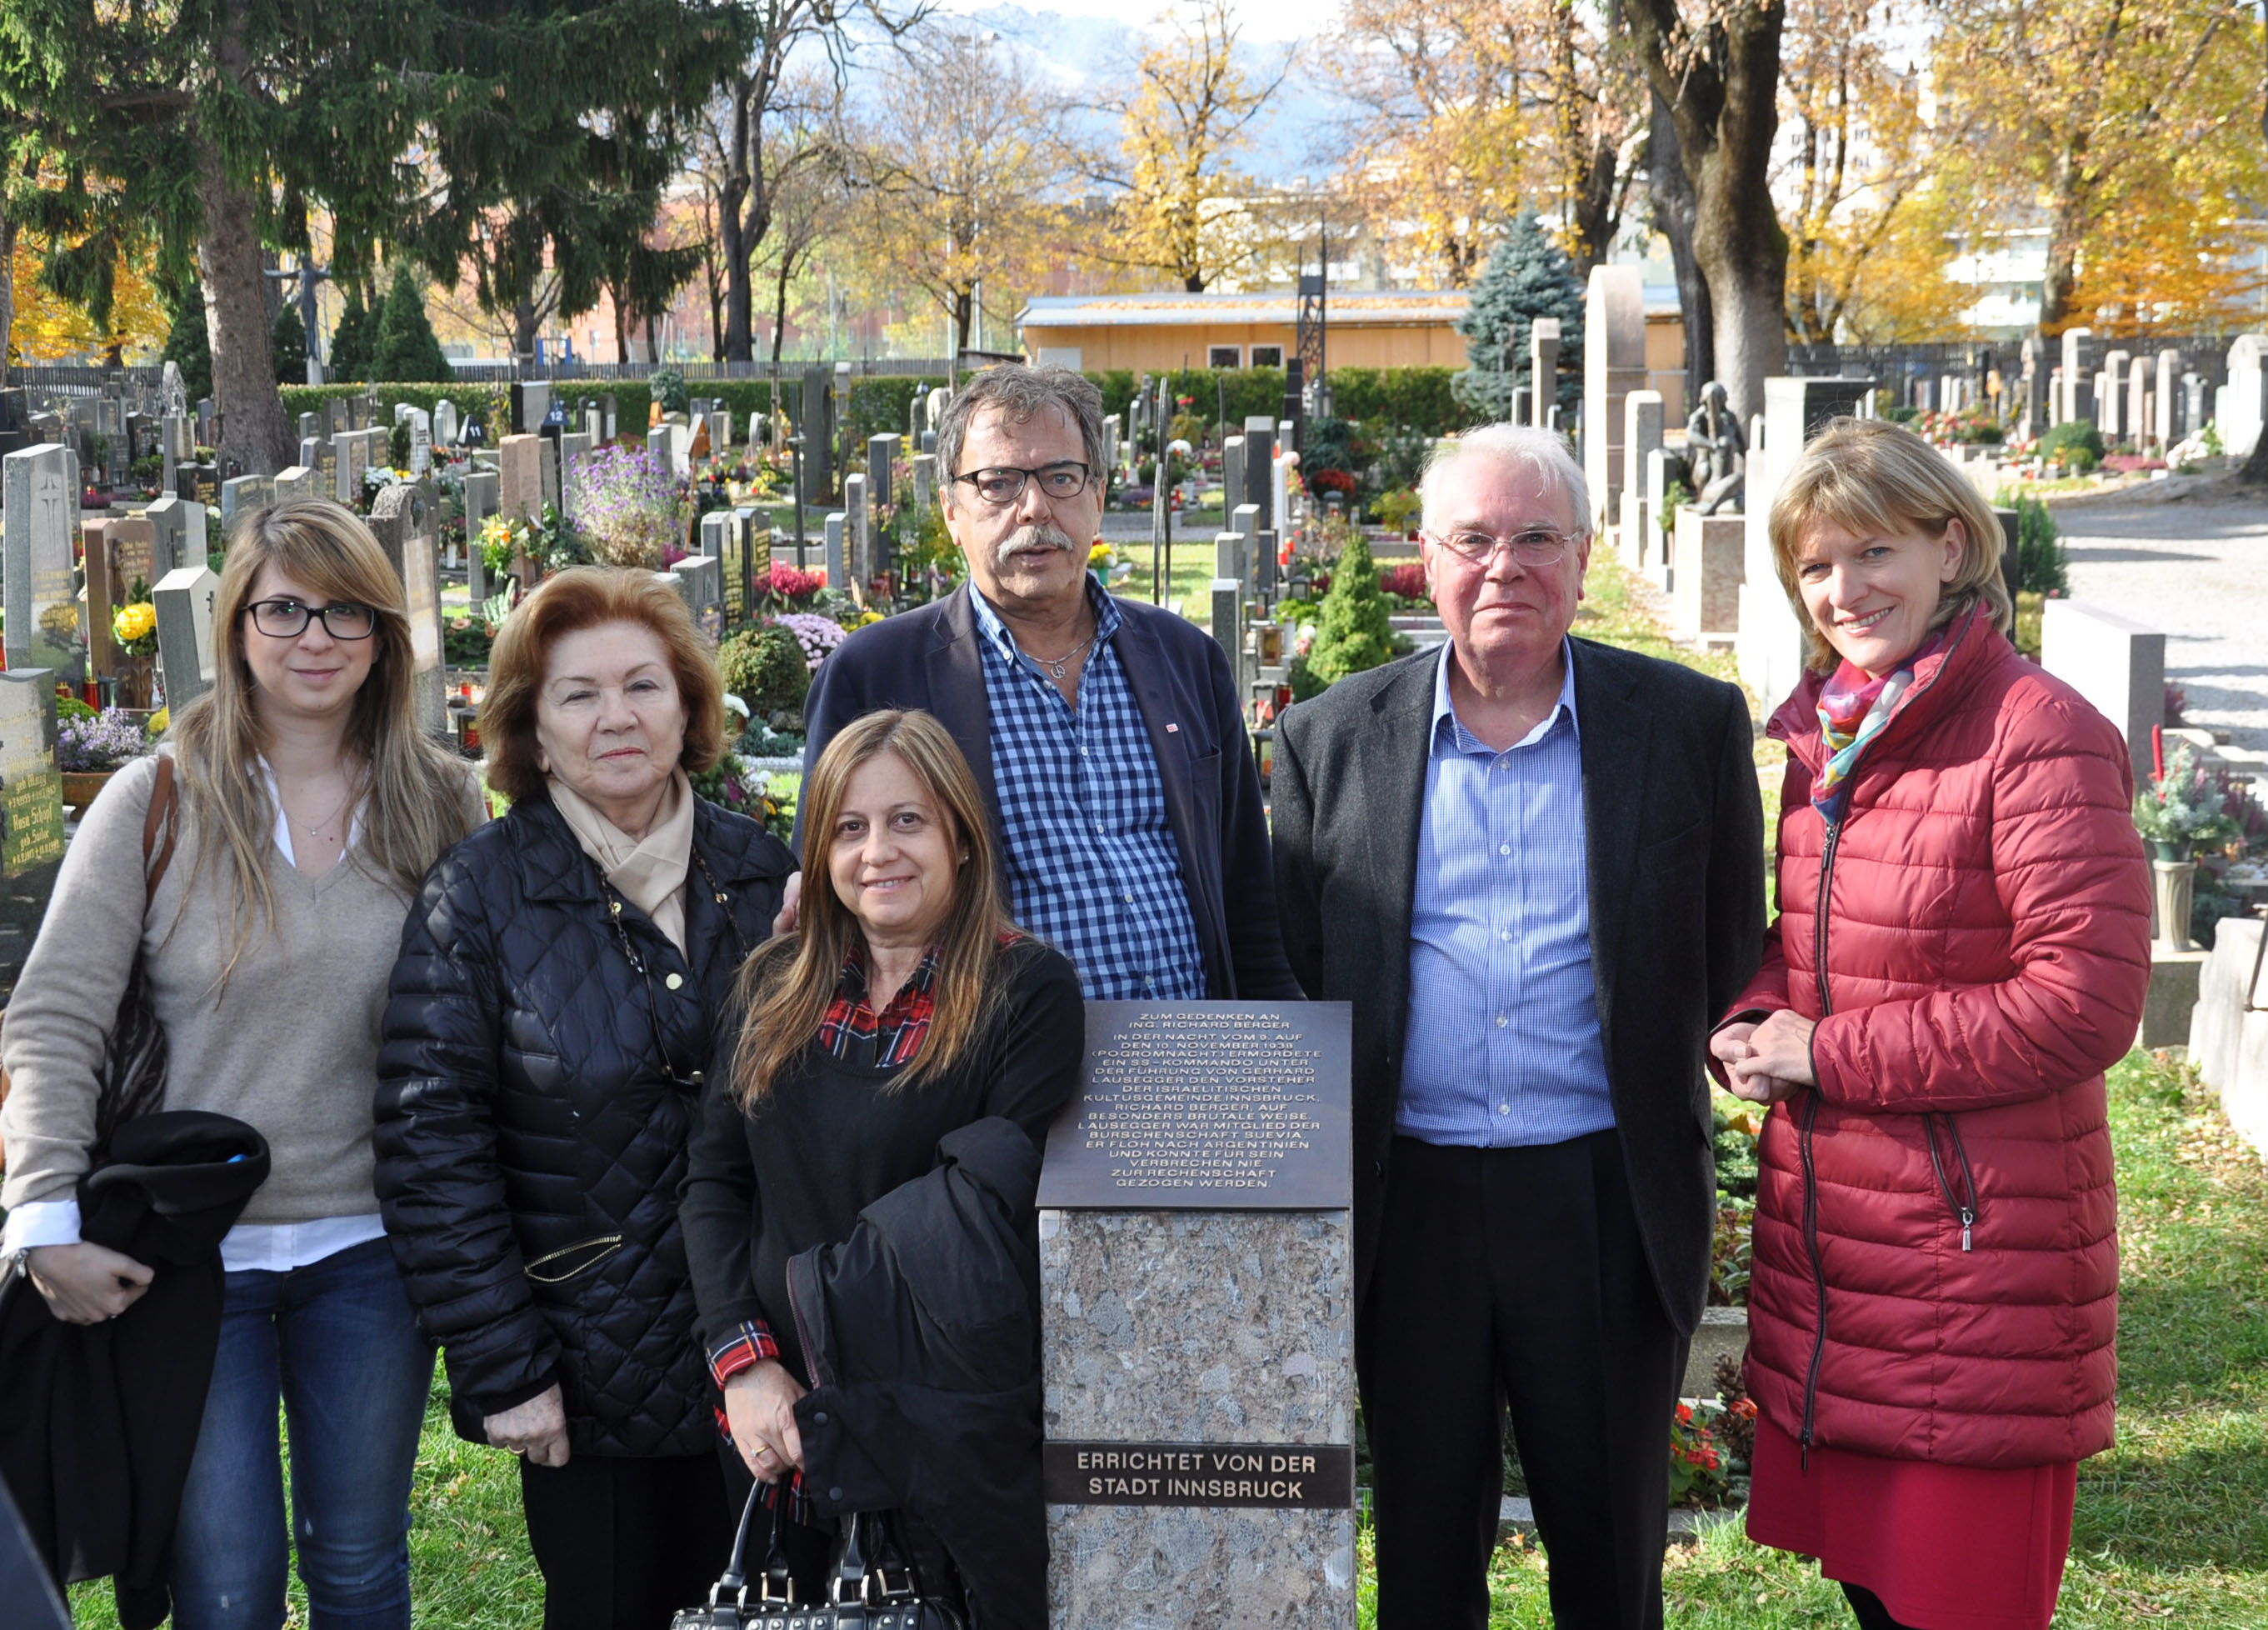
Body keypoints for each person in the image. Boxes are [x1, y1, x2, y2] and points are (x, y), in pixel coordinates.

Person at [1271, 424, 1766, 1630]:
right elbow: (1287, 967)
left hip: (1602, 1195)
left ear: (1582, 557)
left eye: (1536, 537)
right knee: (1426, 1568)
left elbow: (1724, 950)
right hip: (1410, 1204)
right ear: (1423, 560)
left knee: (1607, 1564)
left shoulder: (1686, 726)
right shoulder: (1326, 740)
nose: (1505, 568)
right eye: (1473, 540)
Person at [0, 499, 482, 1630]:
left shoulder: (443, 802)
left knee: (359, 1566)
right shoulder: (153, 801)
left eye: (345, 612)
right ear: (236, 626)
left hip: (374, 1250)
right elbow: (56, 1013)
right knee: (227, 1586)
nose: (313, 638)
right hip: (189, 1257)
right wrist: (40, 1219)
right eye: (283, 609)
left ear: (382, 635)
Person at [1708, 419, 2150, 1630]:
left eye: (1873, 552)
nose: (1843, 591)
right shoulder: (1829, 739)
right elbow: (1810, 941)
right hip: (1843, 1259)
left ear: (1949, 546)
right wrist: (1753, 1014)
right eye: (1813, 565)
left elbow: (2082, 1003)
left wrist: (1822, 1051)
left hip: (1971, 1266)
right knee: (1872, 1599)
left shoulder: (2034, 733)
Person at [374, 567, 795, 1630]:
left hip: (768, 1359)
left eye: (644, 686)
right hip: (585, 1378)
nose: (617, 717)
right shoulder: (478, 897)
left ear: (689, 705)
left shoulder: (766, 876)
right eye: (578, 694)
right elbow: (433, 1147)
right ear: (531, 726)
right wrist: (503, 1369)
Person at [682, 708, 1082, 1628]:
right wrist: (746, 1368)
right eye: (849, 828)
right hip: (772, 1420)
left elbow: (974, 1210)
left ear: (961, 838)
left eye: (908, 821)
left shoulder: (1025, 992)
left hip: (939, 1421)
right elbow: (714, 1186)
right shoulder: (770, 987)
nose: (878, 852)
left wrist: (809, 1316)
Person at [797, 362, 1297, 1002]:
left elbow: (1247, 898)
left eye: (1061, 477)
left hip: (1186, 1071)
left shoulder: (1186, 660)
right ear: (952, 511)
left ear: (1100, 495)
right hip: (1002, 1077)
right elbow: (824, 900)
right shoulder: (876, 673)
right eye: (997, 483)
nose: (1034, 507)